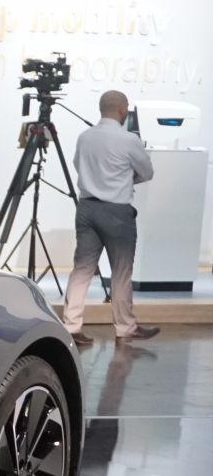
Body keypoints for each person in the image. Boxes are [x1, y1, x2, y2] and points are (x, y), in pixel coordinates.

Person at [64, 89, 159, 345]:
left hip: (86, 208)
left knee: (82, 270)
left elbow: (78, 165)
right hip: (117, 211)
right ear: (122, 109)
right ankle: (125, 327)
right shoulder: (129, 140)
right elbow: (147, 172)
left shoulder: (85, 137)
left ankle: (71, 326)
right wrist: (125, 178)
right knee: (121, 271)